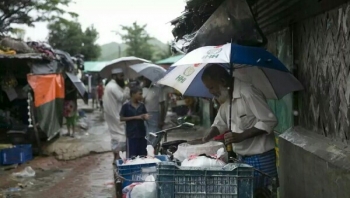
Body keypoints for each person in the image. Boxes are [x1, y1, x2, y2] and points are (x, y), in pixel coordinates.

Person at [190, 64, 278, 190]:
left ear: (222, 81)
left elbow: (269, 120)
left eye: (211, 87)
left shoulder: (248, 92)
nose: (211, 92)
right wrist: (207, 138)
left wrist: (241, 136)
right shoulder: (226, 100)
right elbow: (219, 123)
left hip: (261, 157)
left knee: (263, 193)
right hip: (242, 157)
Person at [103, 68, 130, 161]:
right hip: (116, 115)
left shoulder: (111, 85)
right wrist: (127, 88)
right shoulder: (113, 86)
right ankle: (118, 158)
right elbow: (122, 97)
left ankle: (116, 158)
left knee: (115, 136)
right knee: (121, 135)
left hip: (112, 115)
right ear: (114, 76)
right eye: (121, 76)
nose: (122, 78)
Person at [120, 86, 149, 157]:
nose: (141, 96)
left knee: (143, 156)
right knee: (132, 156)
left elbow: (145, 115)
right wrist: (136, 117)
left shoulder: (142, 105)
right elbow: (121, 118)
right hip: (131, 134)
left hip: (142, 134)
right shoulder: (126, 106)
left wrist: (145, 117)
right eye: (140, 94)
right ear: (133, 94)